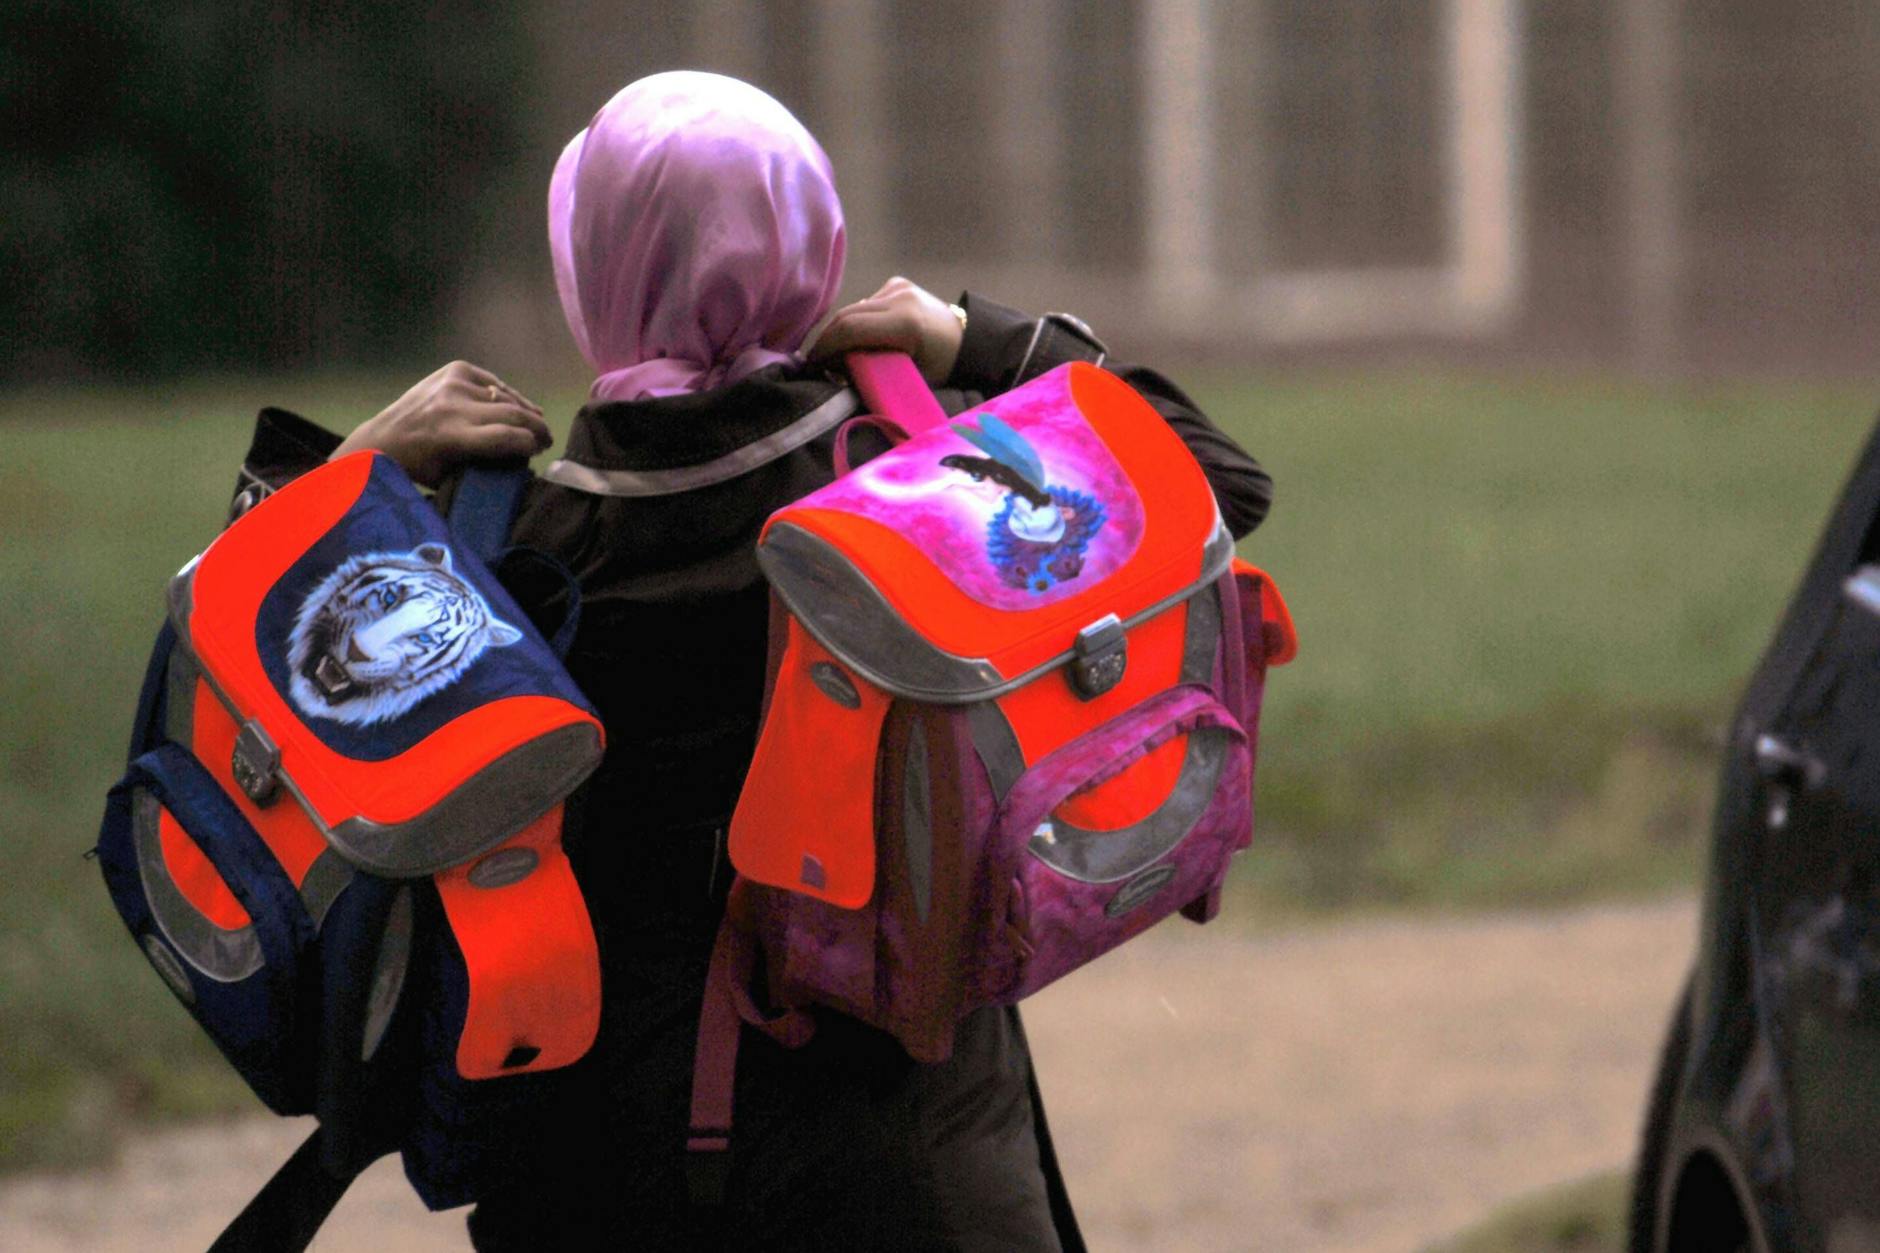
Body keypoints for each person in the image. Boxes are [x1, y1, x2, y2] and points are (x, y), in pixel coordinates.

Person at [232, 71, 1271, 1251]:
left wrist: (346, 479)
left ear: (592, 271)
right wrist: (976, 340)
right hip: (917, 1174)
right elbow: (1218, 488)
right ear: (812, 251)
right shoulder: (926, 496)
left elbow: (252, 710)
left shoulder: (499, 557)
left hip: (591, 1173)